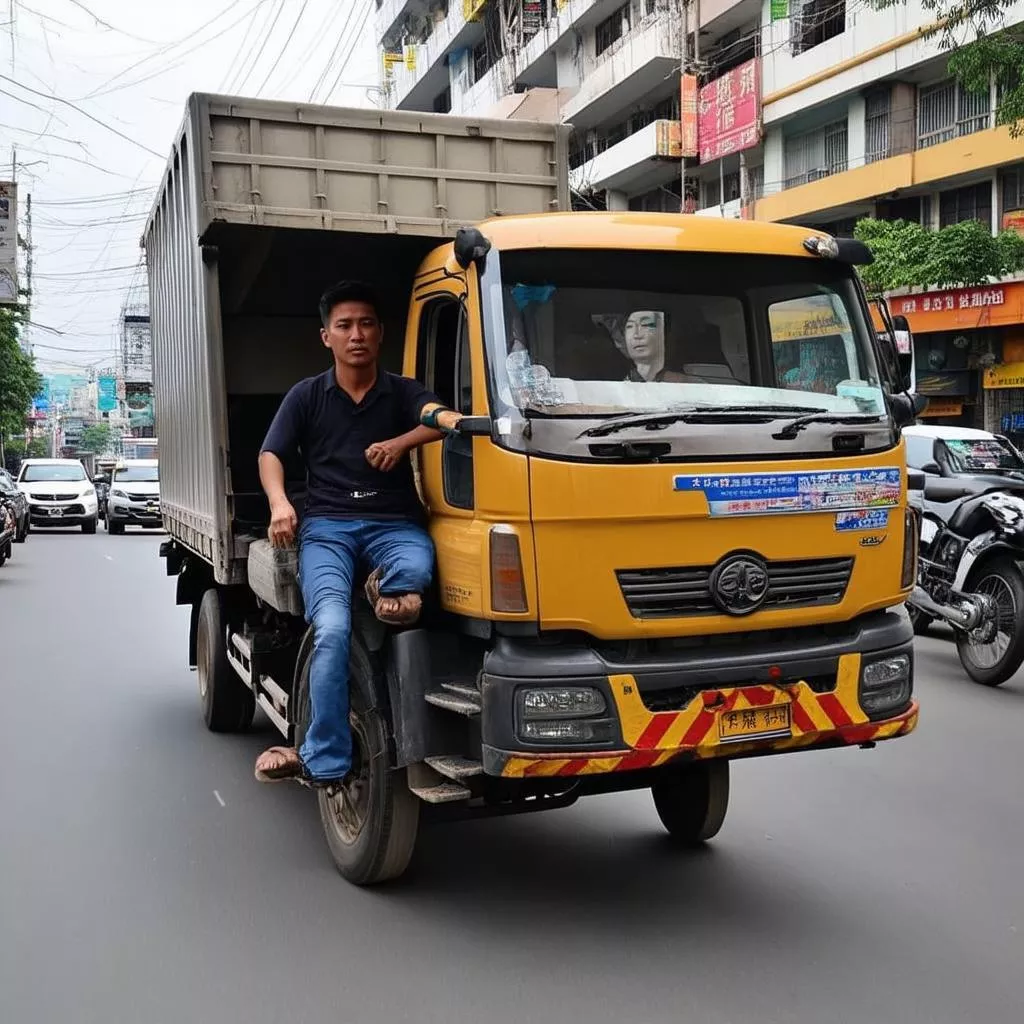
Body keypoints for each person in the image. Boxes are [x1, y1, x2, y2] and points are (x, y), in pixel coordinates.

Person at [253, 281, 461, 789]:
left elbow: (444, 419)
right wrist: (280, 504)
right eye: (344, 326)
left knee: (415, 567)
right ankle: (322, 760)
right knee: (330, 629)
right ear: (327, 337)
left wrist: (401, 441)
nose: (356, 335)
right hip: (327, 530)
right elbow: (271, 454)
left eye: (366, 323)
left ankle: (387, 587)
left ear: (381, 332)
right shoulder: (307, 395)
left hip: (395, 525)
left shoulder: (404, 391)